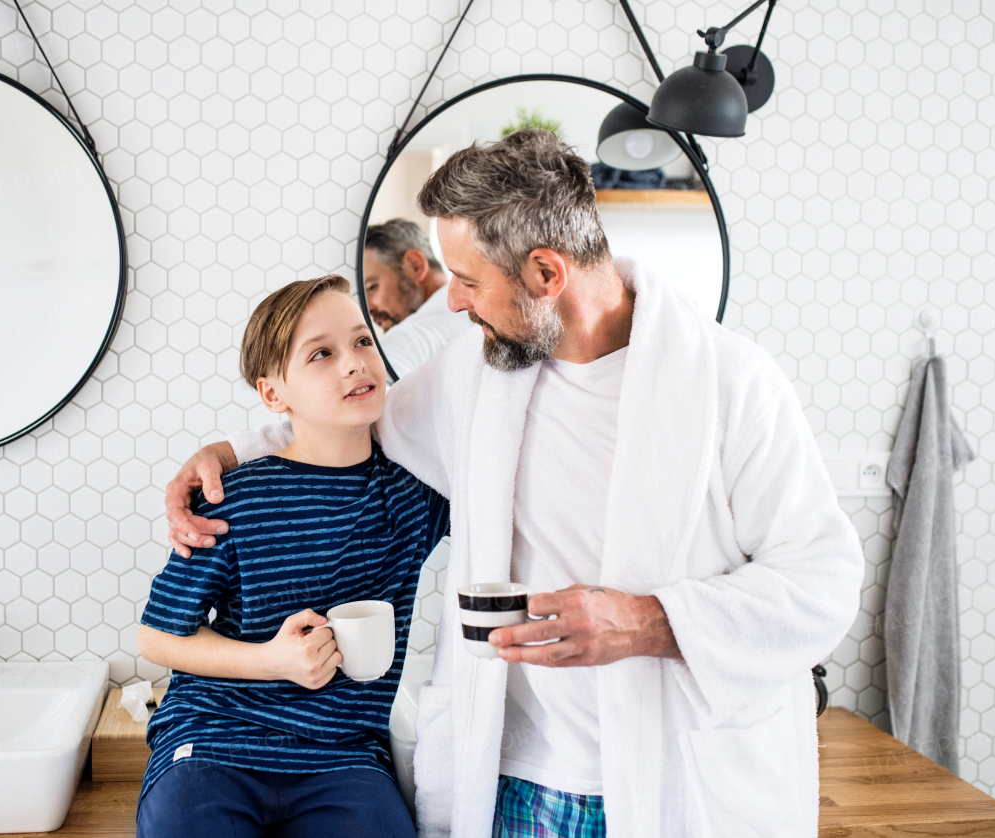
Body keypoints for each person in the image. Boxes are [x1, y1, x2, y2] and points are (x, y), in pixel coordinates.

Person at [165, 130, 864, 838]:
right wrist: (222, 453)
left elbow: (823, 582)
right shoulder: (476, 376)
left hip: (678, 779)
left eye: (468, 282)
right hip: (513, 782)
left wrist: (647, 622)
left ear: (545, 274)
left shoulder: (731, 383)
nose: (456, 305)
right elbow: (349, 426)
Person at [136, 274, 450, 838]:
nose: (355, 363)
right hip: (216, 739)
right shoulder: (234, 498)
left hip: (343, 752)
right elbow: (157, 638)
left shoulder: (413, 492)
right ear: (273, 395)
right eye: (321, 354)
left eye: (362, 341)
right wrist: (273, 663)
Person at [363, 218, 474, 378]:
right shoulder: (483, 317)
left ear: (415, 265)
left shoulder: (402, 342)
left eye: (372, 287)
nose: (368, 308)